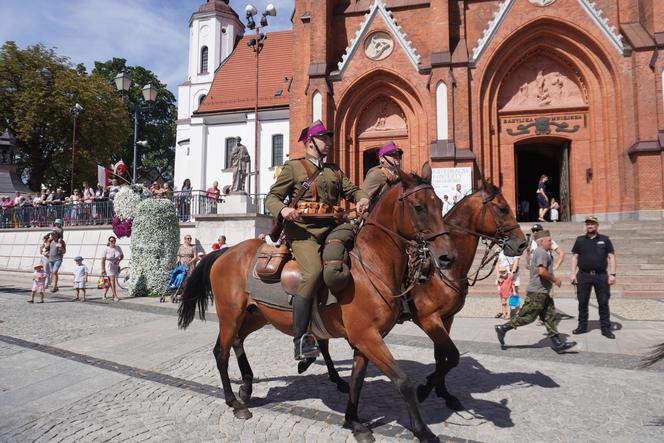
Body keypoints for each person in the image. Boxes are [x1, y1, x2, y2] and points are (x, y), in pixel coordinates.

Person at [265, 120, 369, 360]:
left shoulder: (333, 171)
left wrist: (362, 198)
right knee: (312, 273)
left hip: (332, 229)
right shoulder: (294, 168)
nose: (329, 142)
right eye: (323, 138)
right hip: (303, 233)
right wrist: (282, 210)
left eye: (328, 138)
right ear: (309, 142)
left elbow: (352, 191)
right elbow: (272, 197)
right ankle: (300, 339)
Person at [494, 230, 577, 353]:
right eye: (549, 240)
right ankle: (503, 328)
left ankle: (558, 344)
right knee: (528, 317)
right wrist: (555, 280)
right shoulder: (541, 252)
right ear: (542, 242)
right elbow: (541, 271)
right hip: (537, 292)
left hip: (542, 291)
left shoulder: (542, 252)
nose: (551, 242)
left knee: (549, 317)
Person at [569, 215, 617, 339]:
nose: (590, 226)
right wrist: (573, 273)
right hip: (584, 275)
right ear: (586, 226)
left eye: (592, 224)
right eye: (588, 224)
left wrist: (612, 274)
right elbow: (575, 257)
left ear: (597, 225)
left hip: (601, 276)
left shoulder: (605, 240)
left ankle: (606, 328)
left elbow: (611, 256)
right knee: (582, 302)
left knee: (603, 302)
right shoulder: (580, 240)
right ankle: (582, 326)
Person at [362, 141, 403, 207]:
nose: (397, 157)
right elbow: (363, 197)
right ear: (382, 159)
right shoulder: (376, 174)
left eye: (398, 155)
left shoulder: (399, 176)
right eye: (392, 155)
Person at [494, 249, 520, 319]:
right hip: (502, 275)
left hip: (511, 273)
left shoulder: (514, 249)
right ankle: (504, 312)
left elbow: (516, 261)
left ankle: (515, 311)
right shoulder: (498, 251)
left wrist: (513, 272)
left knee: (514, 293)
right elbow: (496, 264)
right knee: (502, 294)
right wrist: (497, 276)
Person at [100, 236, 124, 302]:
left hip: (115, 265)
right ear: (109, 241)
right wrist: (102, 269)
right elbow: (103, 260)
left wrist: (119, 261)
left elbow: (122, 255)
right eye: (111, 241)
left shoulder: (118, 247)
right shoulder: (106, 249)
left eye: (114, 240)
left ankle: (104, 294)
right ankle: (115, 295)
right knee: (112, 280)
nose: (113, 242)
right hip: (109, 265)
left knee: (110, 282)